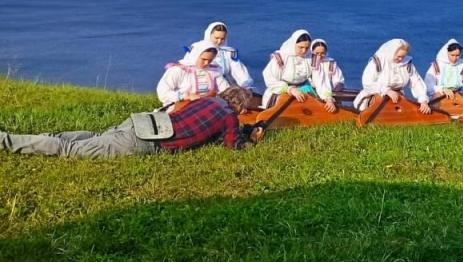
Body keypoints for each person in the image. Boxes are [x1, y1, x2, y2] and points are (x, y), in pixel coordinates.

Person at [0, 87, 265, 157]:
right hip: (145, 142)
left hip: (141, 123)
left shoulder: (207, 100)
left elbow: (211, 128)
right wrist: (251, 141)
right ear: (240, 106)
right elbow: (231, 145)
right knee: (69, 150)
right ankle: (7, 141)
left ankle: (41, 137)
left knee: (93, 136)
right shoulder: (229, 116)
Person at [354, 38, 430, 114]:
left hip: (398, 98)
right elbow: (367, 82)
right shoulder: (378, 62)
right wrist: (386, 91)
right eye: (398, 56)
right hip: (376, 96)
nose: (401, 59)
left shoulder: (407, 64)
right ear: (391, 52)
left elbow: (416, 82)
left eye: (403, 56)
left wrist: (423, 100)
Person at [156, 40, 230, 108]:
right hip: (181, 107)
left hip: (205, 106)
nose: (206, 63)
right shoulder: (179, 70)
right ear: (195, 55)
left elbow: (225, 90)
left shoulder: (213, 71)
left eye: (210, 60)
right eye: (203, 59)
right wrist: (185, 96)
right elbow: (163, 92)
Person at [261, 29, 316, 108]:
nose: (304, 51)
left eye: (307, 48)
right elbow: (269, 78)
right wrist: (290, 89)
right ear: (293, 44)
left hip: (304, 90)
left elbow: (319, 78)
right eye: (300, 47)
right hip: (282, 92)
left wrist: (327, 96)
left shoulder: (311, 58)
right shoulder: (281, 57)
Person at [424, 39, 463, 108]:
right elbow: (428, 85)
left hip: (458, 95)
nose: (454, 58)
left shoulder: (462, 67)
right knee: (437, 98)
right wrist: (442, 89)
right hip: (439, 95)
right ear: (446, 53)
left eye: (457, 55)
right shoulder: (436, 66)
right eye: (452, 55)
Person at [201, 21, 253, 89]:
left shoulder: (229, 52)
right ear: (209, 35)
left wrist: (245, 84)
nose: (219, 41)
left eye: (222, 39)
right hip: (204, 86)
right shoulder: (198, 50)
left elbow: (238, 68)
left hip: (225, 86)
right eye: (216, 38)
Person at [310, 38, 345, 113]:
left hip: (329, 92)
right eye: (317, 53)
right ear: (312, 52)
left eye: (322, 53)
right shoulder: (309, 62)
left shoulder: (331, 62)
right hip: (312, 91)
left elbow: (339, 79)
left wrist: (334, 92)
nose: (320, 55)